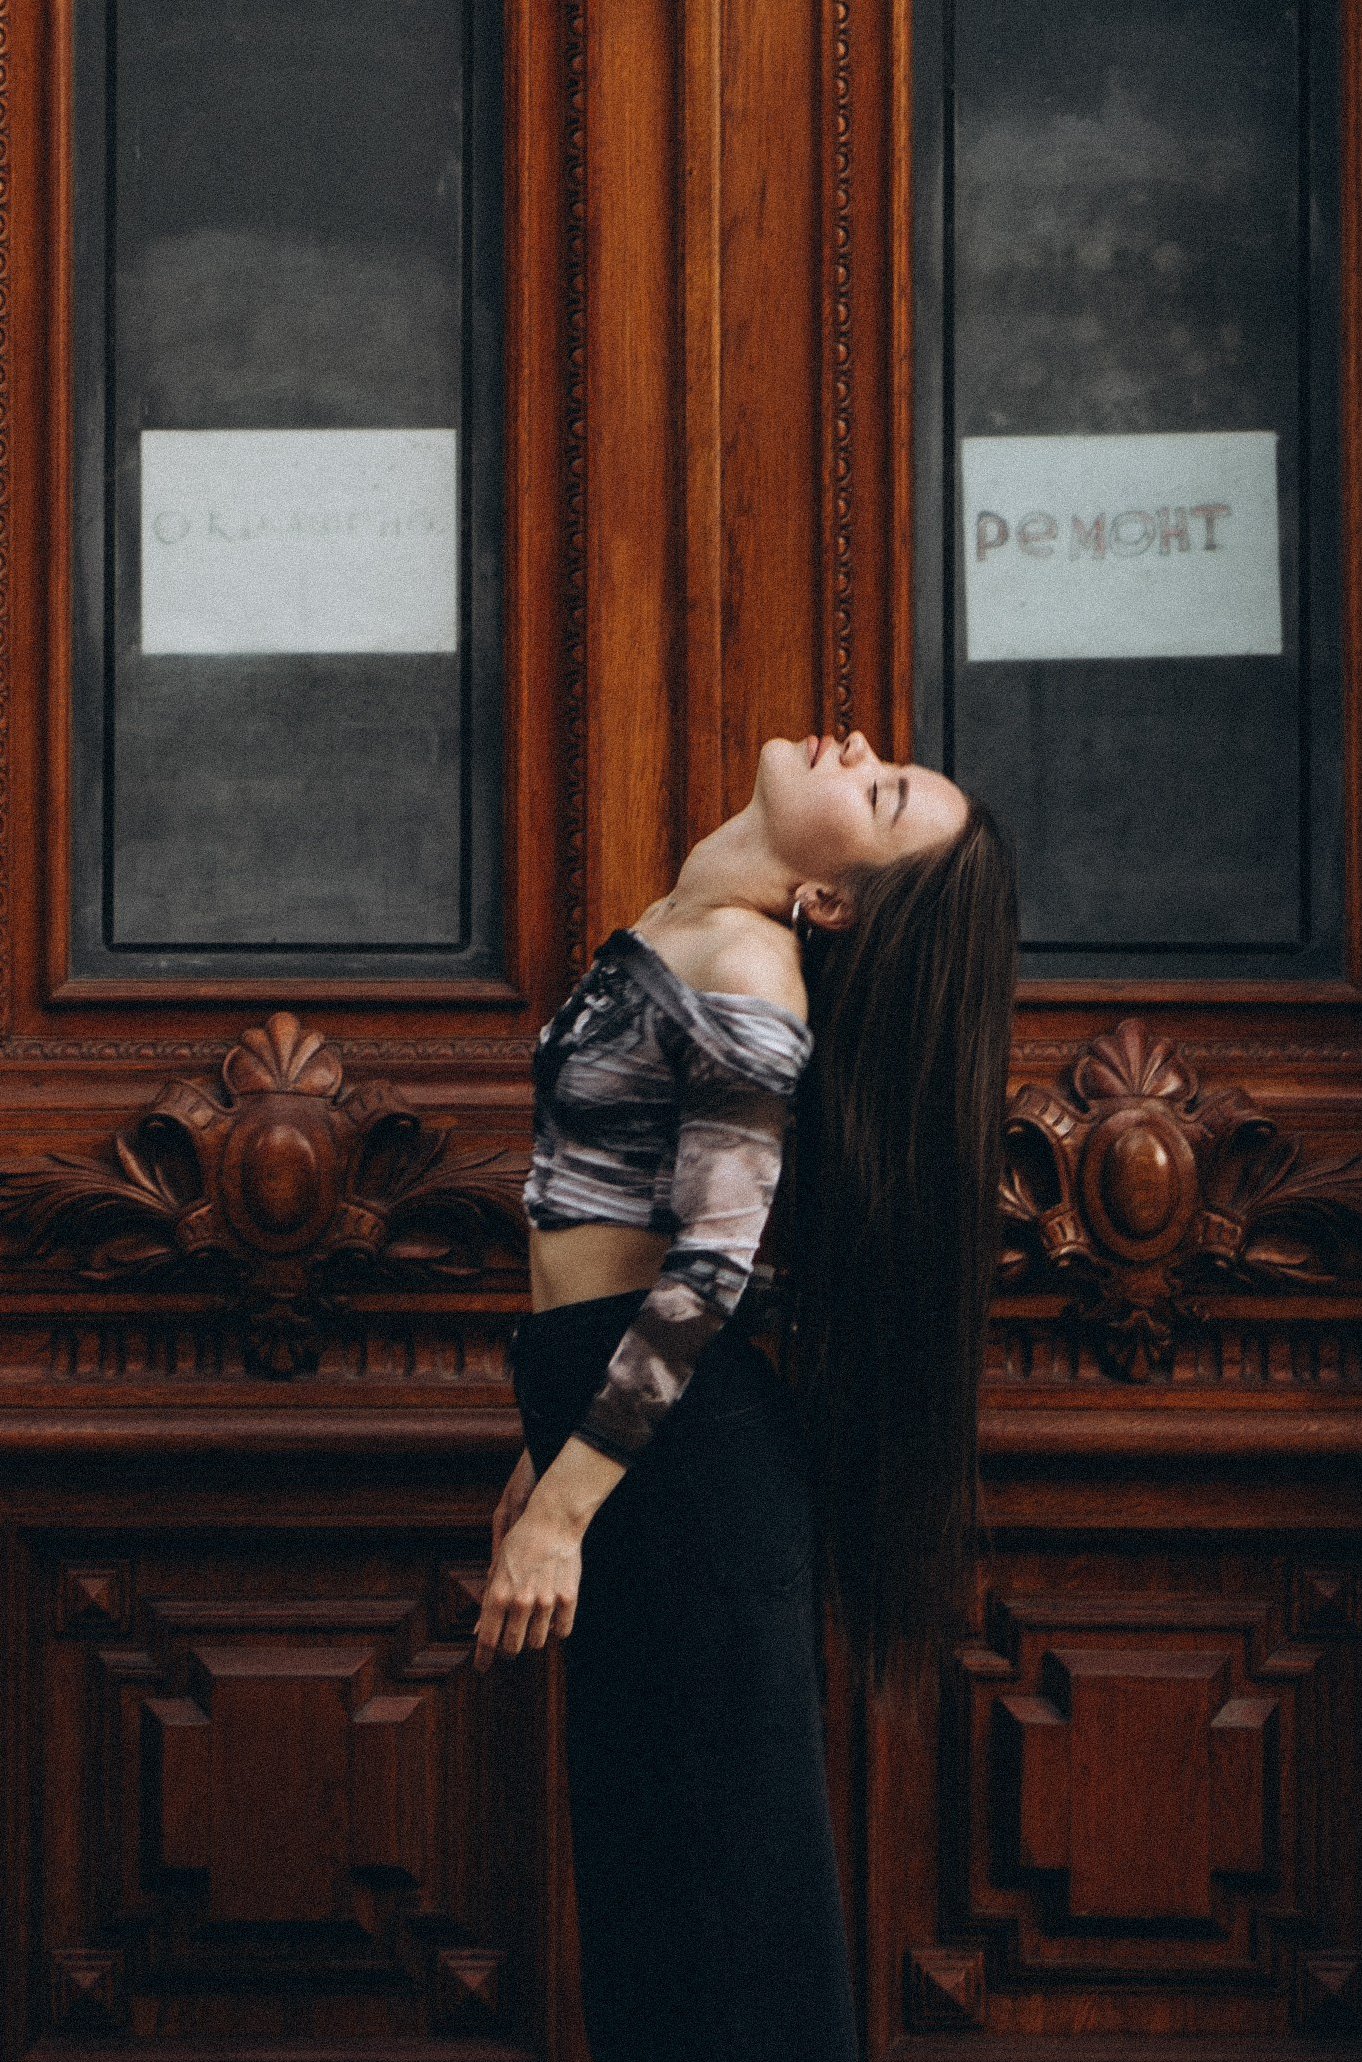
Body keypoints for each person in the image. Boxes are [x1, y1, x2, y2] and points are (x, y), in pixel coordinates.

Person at [476, 729, 1019, 2062]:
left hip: (694, 1487)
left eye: (880, 794)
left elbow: (705, 1278)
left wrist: (561, 1515)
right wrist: (551, 1456)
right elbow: (632, 1234)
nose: (859, 750)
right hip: (640, 1448)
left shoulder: (748, 970)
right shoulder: (693, 927)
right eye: (887, 768)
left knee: (732, 1920)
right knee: (653, 1904)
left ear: (828, 900)